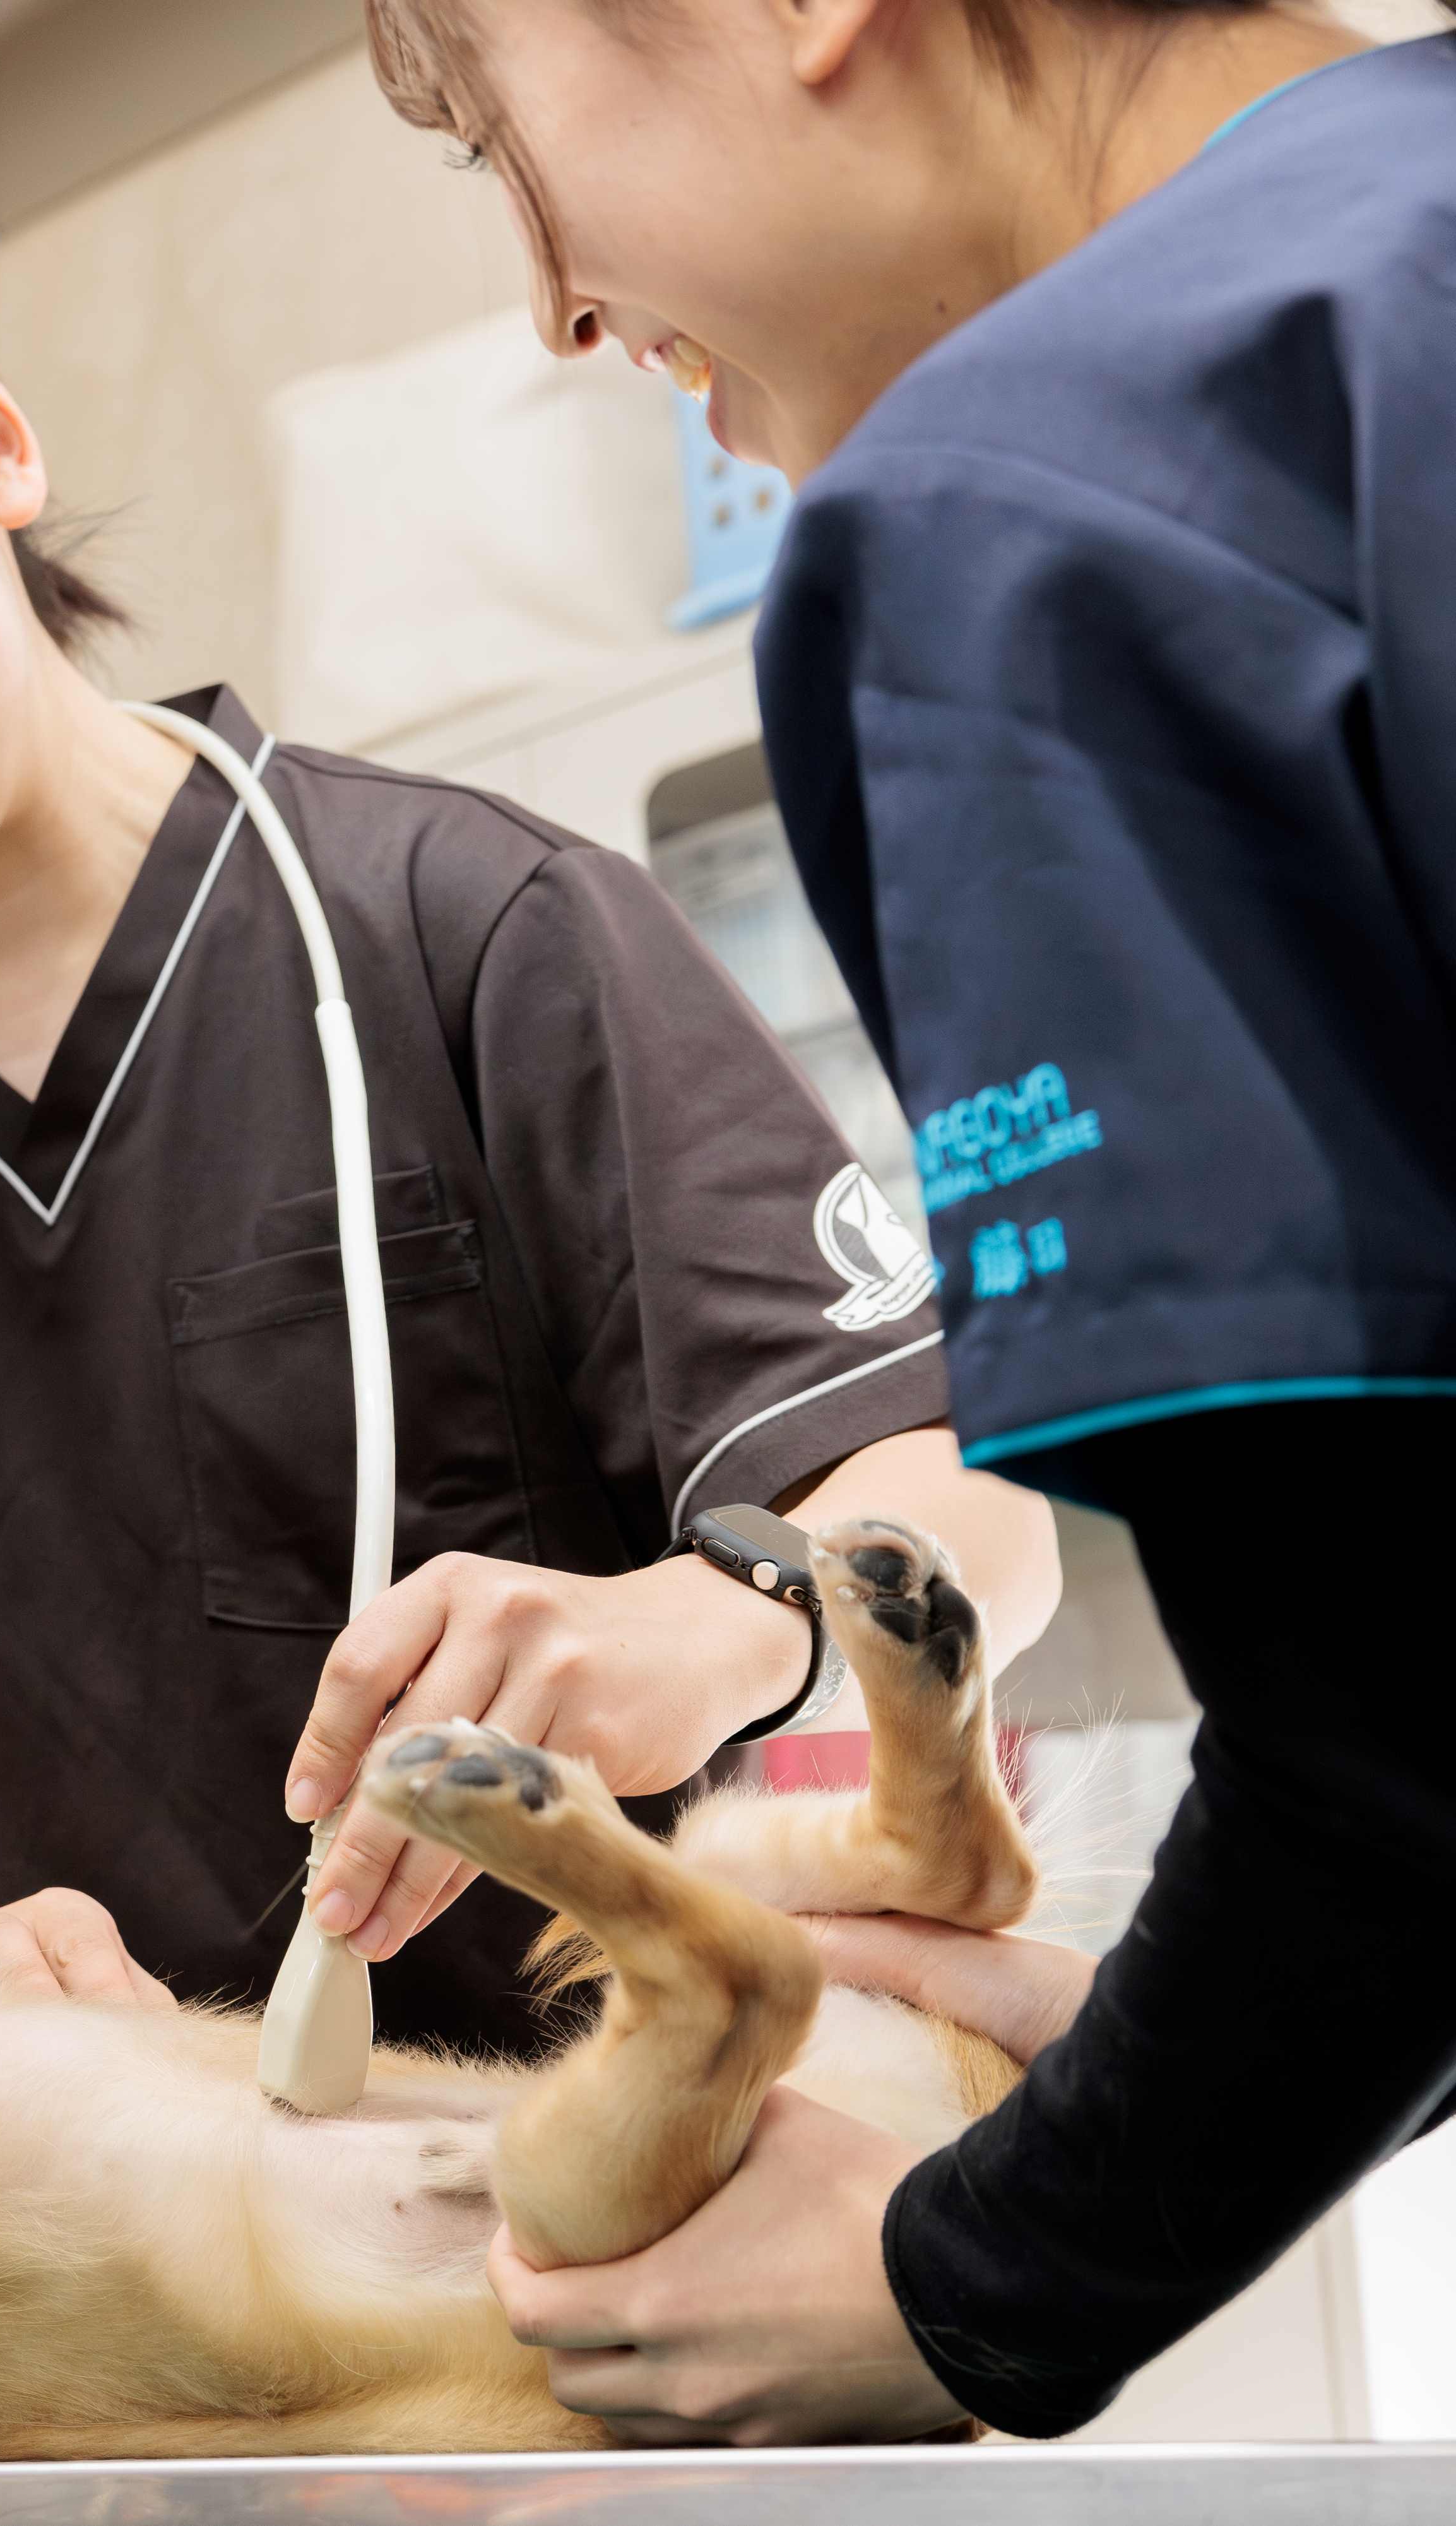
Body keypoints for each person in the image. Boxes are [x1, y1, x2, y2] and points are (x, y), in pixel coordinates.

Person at [0, 169, 1060, 2054]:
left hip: (569, 2162)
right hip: (45, 2198)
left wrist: (717, 1624)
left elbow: (975, 1506)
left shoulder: (474, 930)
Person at [358, 0, 1456, 2441]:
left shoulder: (1030, 502)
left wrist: (974, 2274)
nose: (553, 306)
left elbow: (1402, 1713)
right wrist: (1214, 2063)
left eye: (501, 142)